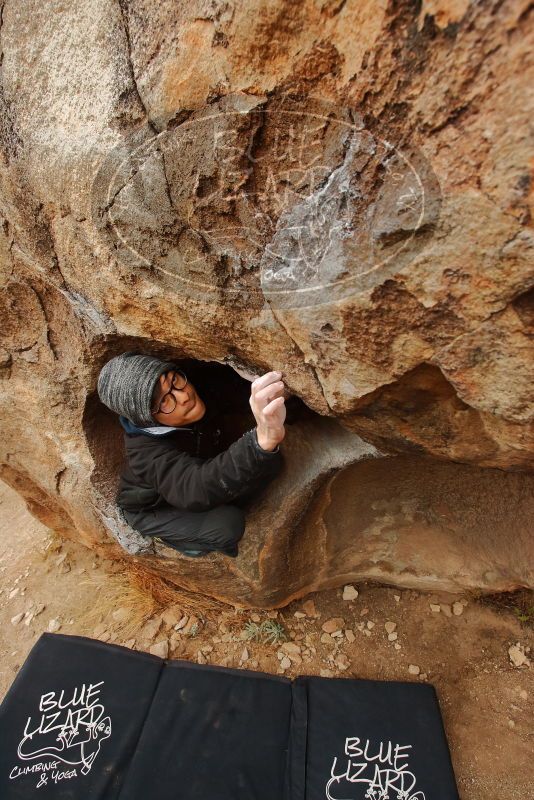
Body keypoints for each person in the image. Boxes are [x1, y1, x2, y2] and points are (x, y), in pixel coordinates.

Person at [97, 352, 286, 558]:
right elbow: (194, 488)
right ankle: (176, 539)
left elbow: (237, 393)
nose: (183, 396)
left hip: (190, 477)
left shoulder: (194, 389)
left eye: (174, 380)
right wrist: (260, 441)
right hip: (153, 509)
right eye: (164, 402)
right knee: (227, 525)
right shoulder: (145, 453)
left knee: (269, 463)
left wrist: (280, 397)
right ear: (147, 418)